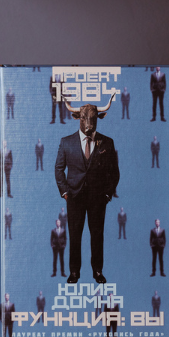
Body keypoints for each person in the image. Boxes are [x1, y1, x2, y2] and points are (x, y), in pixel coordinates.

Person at [55, 96, 119, 284]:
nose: (89, 123)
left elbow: (114, 172)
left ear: (99, 118)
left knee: (97, 235)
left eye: (93, 118)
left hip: (98, 199)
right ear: (78, 118)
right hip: (74, 197)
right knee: (74, 235)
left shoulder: (107, 143)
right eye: (85, 118)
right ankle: (74, 272)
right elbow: (58, 169)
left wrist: (107, 194)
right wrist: (65, 192)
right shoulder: (66, 142)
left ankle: (97, 271)